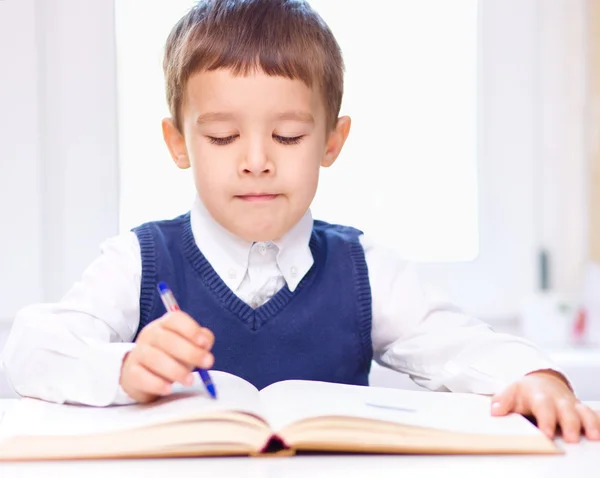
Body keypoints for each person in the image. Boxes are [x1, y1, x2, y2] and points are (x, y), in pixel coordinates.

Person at [2, 0, 598, 443]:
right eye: (222, 135)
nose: (256, 161)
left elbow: (460, 343)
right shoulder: (138, 260)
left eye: (288, 135)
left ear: (332, 142)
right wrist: (124, 367)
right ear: (179, 142)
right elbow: (31, 348)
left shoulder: (365, 268)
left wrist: (534, 374)